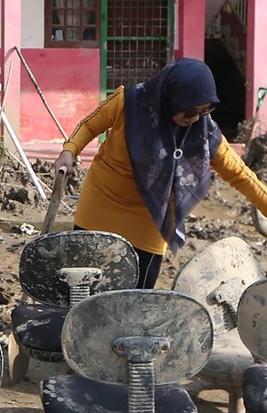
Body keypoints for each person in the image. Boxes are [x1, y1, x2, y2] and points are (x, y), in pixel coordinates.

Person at [54, 58, 267, 289]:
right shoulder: (128, 103)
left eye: (206, 110)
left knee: (135, 299)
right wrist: (69, 151)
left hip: (150, 220)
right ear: (172, 99)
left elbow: (240, 175)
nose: (196, 118)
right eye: (190, 111)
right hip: (100, 206)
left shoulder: (204, 135)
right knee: (78, 289)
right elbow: (90, 125)